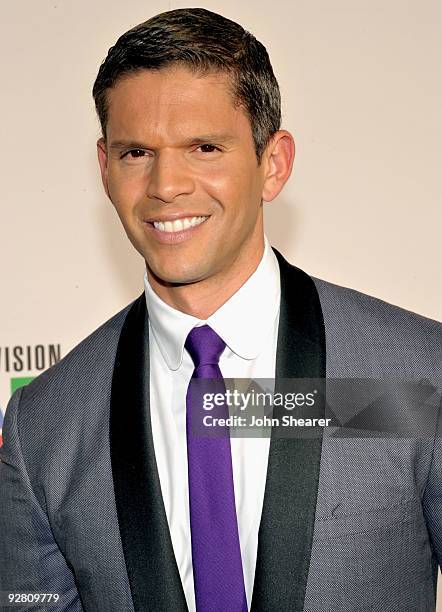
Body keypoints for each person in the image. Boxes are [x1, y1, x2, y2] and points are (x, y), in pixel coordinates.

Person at [0, 7, 441, 612]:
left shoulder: (416, 374)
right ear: (104, 167)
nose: (166, 184)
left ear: (273, 163)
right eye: (136, 153)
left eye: (204, 147)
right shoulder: (43, 424)